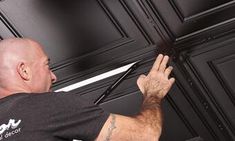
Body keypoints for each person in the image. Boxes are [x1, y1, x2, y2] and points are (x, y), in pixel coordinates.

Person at [0, 38, 175, 141]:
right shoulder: (47, 107)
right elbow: (146, 135)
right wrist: (153, 93)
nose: (53, 77)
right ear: (24, 70)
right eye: (47, 65)